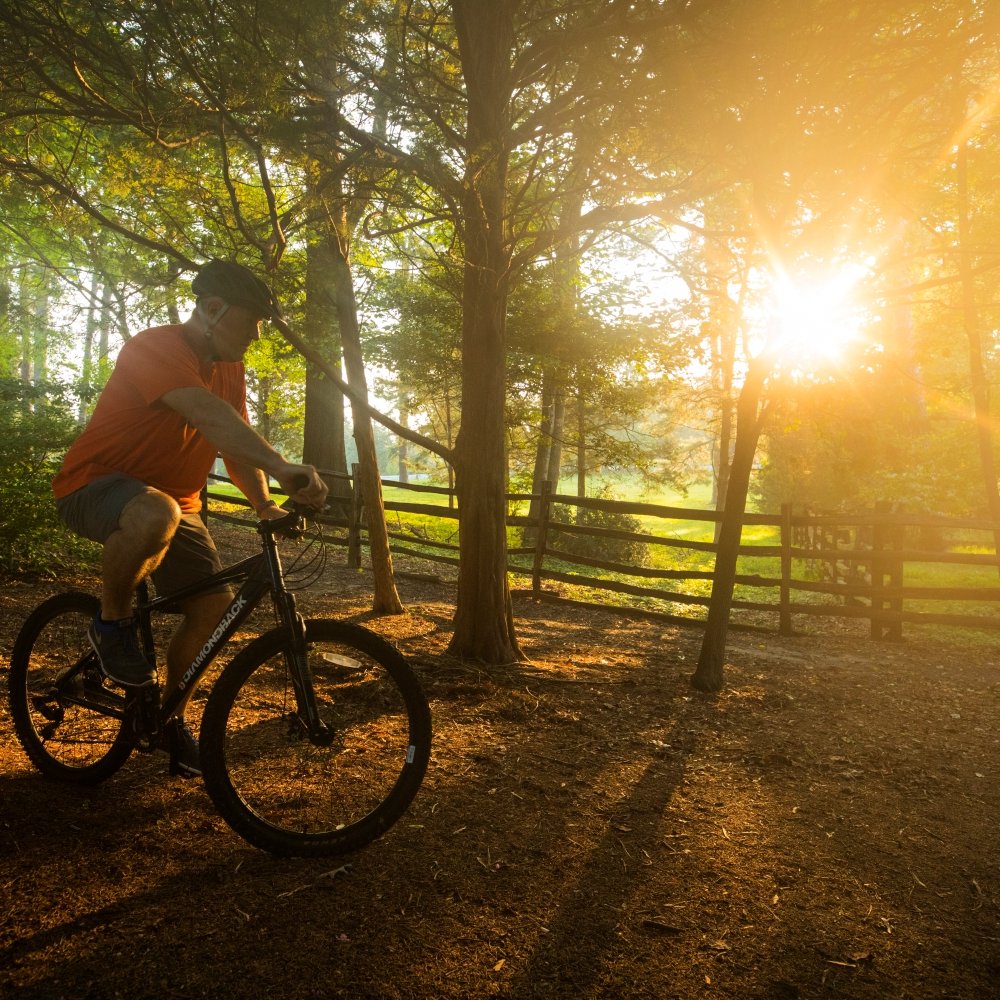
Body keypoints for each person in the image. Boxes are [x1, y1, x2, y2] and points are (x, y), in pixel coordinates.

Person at [53, 259, 328, 777]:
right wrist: (285, 464)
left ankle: (166, 719)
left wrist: (265, 502)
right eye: (251, 321)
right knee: (157, 511)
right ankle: (110, 625)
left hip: (177, 502)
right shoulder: (155, 348)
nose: (255, 334)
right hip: (94, 484)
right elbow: (205, 414)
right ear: (212, 308)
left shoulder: (229, 370)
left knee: (212, 610)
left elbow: (234, 441)